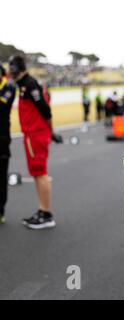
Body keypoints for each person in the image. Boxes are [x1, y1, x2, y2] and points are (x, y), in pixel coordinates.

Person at [8, 55, 63, 229]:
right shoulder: (23, 83)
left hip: (36, 135)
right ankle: (42, 211)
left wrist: (51, 131)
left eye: (12, 67)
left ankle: (46, 214)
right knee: (37, 173)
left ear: (17, 68)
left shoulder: (30, 83)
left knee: (40, 173)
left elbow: (45, 110)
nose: (10, 71)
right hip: (33, 134)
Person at [0, 64, 16, 224]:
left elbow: (2, 106)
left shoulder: (9, 87)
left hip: (2, 139)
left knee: (1, 177)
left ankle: (0, 211)